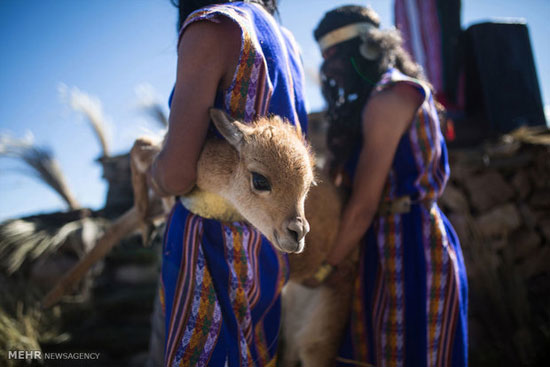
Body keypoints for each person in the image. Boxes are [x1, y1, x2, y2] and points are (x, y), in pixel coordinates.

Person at [150, 1, 308, 366]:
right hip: (267, 244)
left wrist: (153, 173)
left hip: (209, 246)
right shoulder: (287, 43)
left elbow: (176, 175)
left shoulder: (211, 28)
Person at [309, 5, 468, 366]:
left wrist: (322, 270)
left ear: (363, 49)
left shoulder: (393, 96)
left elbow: (364, 205)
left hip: (410, 247)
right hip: (377, 246)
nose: (329, 68)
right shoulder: (371, 101)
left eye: (334, 56)